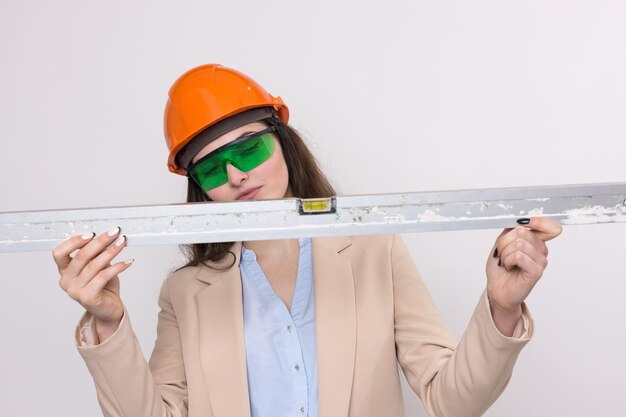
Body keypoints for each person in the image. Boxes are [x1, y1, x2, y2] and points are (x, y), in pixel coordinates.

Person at [53, 63, 563, 417]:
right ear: (200, 189)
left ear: (283, 143)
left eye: (249, 150)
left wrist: (500, 309)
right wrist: (108, 323)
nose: (234, 175)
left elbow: (450, 400)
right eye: (211, 167)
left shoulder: (373, 251)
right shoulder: (185, 293)